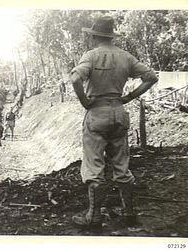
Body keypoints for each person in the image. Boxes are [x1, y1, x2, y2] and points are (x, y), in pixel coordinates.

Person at [69, 15, 158, 230]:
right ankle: (128, 212)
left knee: (94, 166)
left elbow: (74, 78)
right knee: (121, 164)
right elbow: (151, 77)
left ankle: (94, 216)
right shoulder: (125, 57)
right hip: (118, 111)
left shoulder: (90, 56)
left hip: (97, 113)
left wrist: (84, 101)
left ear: (94, 37)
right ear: (111, 36)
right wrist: (128, 97)